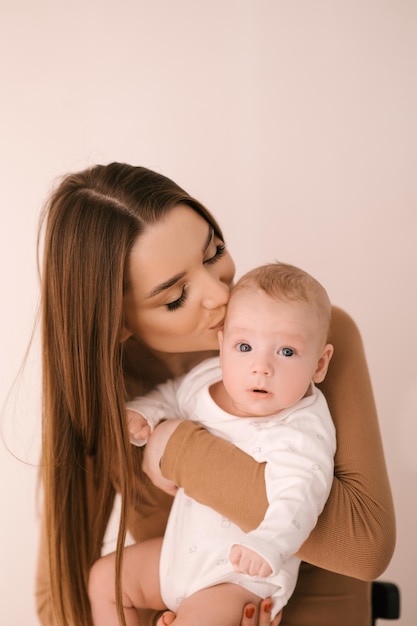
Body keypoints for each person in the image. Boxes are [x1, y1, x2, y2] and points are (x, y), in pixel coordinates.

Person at [35, 162, 395, 626]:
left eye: (213, 253)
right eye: (175, 296)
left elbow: (365, 546)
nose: (220, 294)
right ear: (117, 321)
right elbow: (57, 596)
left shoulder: (307, 339)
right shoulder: (108, 391)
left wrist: (175, 446)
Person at [88, 262, 337, 625]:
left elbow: (302, 494)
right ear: (222, 346)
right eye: (245, 346)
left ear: (319, 364)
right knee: (104, 581)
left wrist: (269, 544)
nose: (261, 367)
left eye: (285, 352)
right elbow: (173, 396)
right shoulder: (207, 379)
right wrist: (146, 413)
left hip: (237, 576)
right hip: (177, 557)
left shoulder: (300, 425)